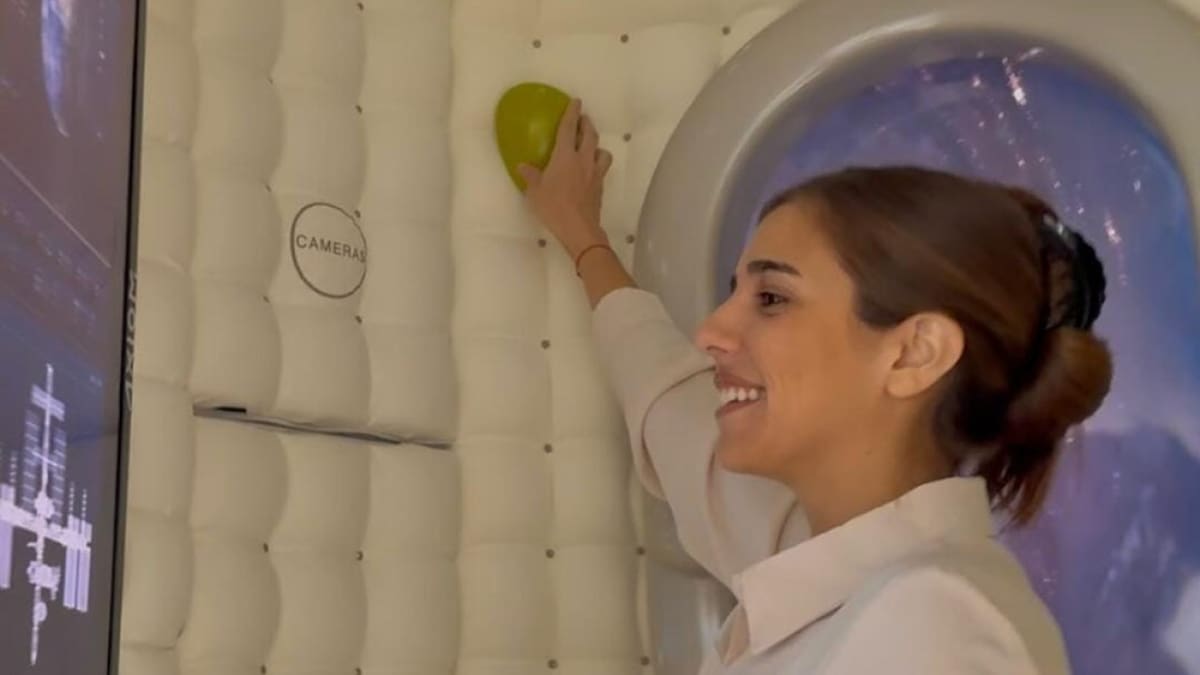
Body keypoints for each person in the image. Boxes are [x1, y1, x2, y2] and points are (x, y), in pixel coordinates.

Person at [516, 99, 1113, 674]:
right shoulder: (812, 553)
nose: (712, 331)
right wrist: (582, 236)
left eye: (771, 298)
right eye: (736, 292)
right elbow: (669, 400)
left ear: (913, 353)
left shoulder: (935, 627)